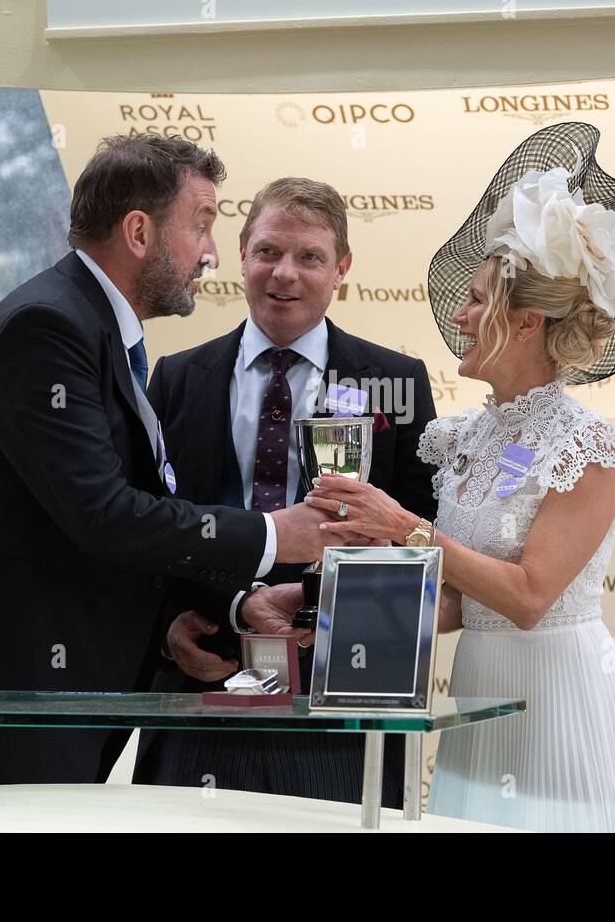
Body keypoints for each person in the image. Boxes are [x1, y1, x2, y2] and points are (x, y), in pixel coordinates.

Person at [0, 135, 337, 792]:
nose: (211, 252)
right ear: (140, 231)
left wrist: (233, 607)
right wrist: (271, 535)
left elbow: (100, 528)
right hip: (4, 692)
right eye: (202, 223)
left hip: (45, 694)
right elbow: (103, 513)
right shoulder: (48, 327)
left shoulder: (89, 328)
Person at [308, 123, 615, 831]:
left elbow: (528, 598)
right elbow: (466, 604)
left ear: (524, 324)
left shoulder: (590, 448)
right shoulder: (462, 436)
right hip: (478, 697)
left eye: (475, 299)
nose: (456, 315)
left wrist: (404, 528)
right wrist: (331, 626)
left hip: (556, 699)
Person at [134, 177, 437, 805]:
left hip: (339, 693)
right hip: (203, 679)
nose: (285, 274)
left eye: (310, 257)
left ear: (342, 268)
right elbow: (142, 528)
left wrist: (322, 605)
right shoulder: (177, 379)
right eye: (269, 251)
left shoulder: (395, 381)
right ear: (242, 252)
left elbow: (420, 537)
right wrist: (168, 630)